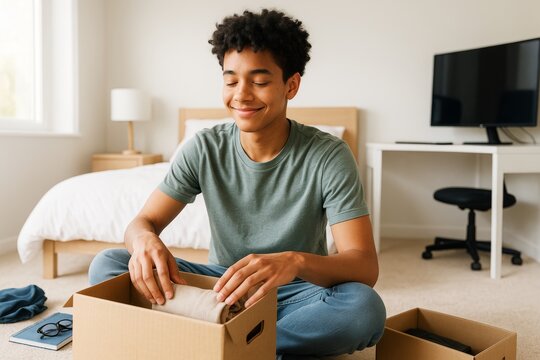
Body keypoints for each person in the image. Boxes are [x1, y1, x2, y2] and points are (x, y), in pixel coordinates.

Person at [88, 8, 386, 359]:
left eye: (259, 82)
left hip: (294, 295)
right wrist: (144, 241)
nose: (241, 95)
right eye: (231, 81)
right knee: (108, 264)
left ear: (291, 85)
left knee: (364, 308)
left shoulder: (329, 155)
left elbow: (364, 265)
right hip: (218, 287)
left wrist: (294, 261)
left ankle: (219, 344)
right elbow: (143, 222)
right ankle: (243, 343)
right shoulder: (203, 147)